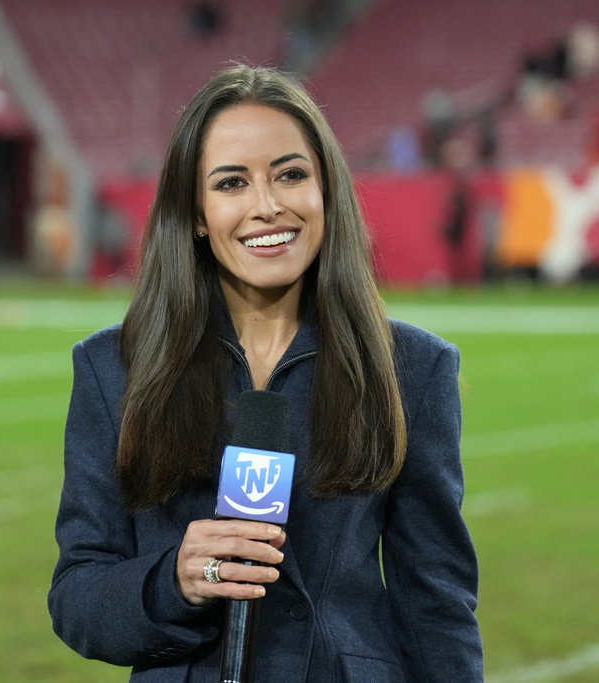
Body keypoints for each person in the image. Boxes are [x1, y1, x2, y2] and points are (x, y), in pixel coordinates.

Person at [48, 64, 483, 682]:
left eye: (291, 174)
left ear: (326, 190)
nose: (268, 205)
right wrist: (174, 579)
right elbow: (77, 598)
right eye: (232, 183)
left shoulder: (413, 369)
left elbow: (437, 605)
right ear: (195, 213)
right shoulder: (111, 367)